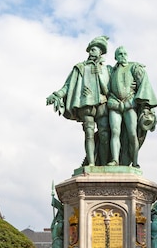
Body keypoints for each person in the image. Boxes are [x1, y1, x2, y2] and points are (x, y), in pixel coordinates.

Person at [46, 36, 111, 166]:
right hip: (85, 104)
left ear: (100, 52)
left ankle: (104, 164)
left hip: (103, 103)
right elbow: (68, 86)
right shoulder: (80, 67)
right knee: (89, 134)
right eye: (90, 50)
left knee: (104, 135)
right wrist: (57, 94)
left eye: (94, 50)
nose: (91, 52)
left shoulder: (107, 69)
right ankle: (91, 163)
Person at [107, 46, 157, 167]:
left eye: (125, 53)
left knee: (132, 134)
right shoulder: (111, 71)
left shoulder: (134, 67)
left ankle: (135, 163)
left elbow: (144, 85)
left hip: (130, 104)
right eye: (120, 54)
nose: (123, 56)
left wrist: (147, 107)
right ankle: (115, 160)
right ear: (115, 57)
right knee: (115, 132)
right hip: (114, 104)